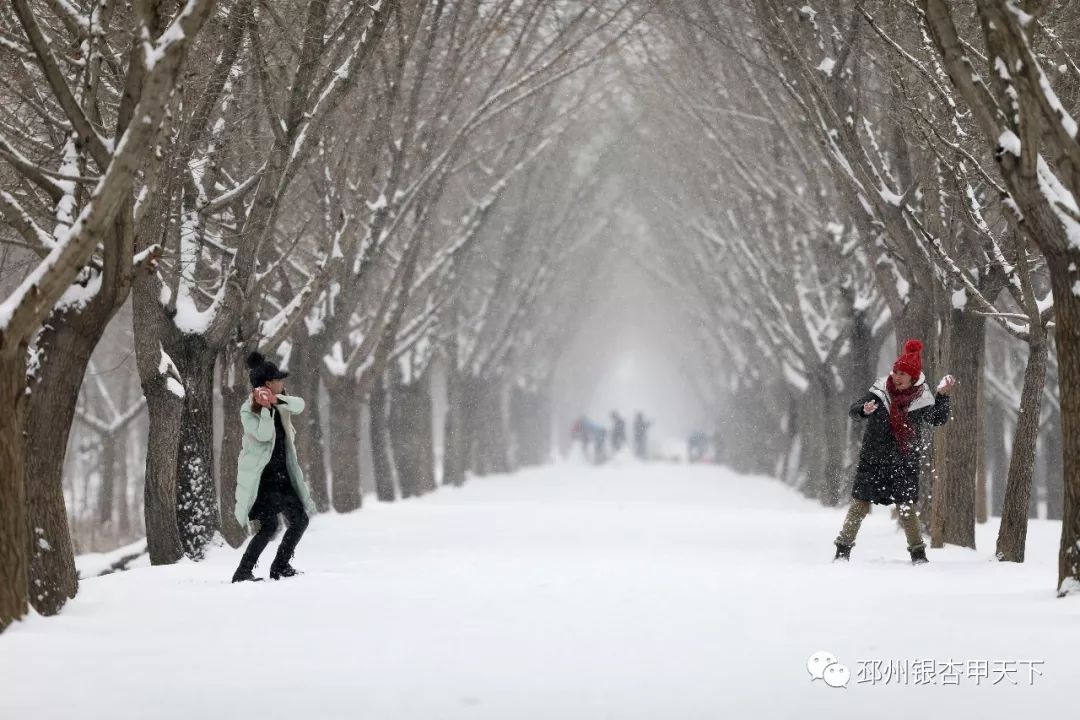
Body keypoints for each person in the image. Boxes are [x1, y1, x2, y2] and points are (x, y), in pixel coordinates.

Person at [833, 339, 954, 565]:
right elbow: (853, 411)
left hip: (903, 462)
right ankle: (842, 551)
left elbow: (938, 418)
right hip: (873, 459)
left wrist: (943, 395)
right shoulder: (879, 393)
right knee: (859, 506)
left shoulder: (921, 399)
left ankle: (918, 555)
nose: (897, 377)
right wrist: (863, 410)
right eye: (896, 372)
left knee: (906, 508)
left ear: (912, 378)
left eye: (903, 374)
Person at [232, 352, 318, 582]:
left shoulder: (282, 401)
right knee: (270, 526)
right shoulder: (248, 409)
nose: (283, 383)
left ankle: (279, 566)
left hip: (282, 475)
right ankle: (244, 572)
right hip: (264, 478)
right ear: (268, 383)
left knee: (298, 521)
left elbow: (300, 405)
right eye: (279, 380)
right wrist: (266, 409)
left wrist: (276, 401)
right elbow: (262, 434)